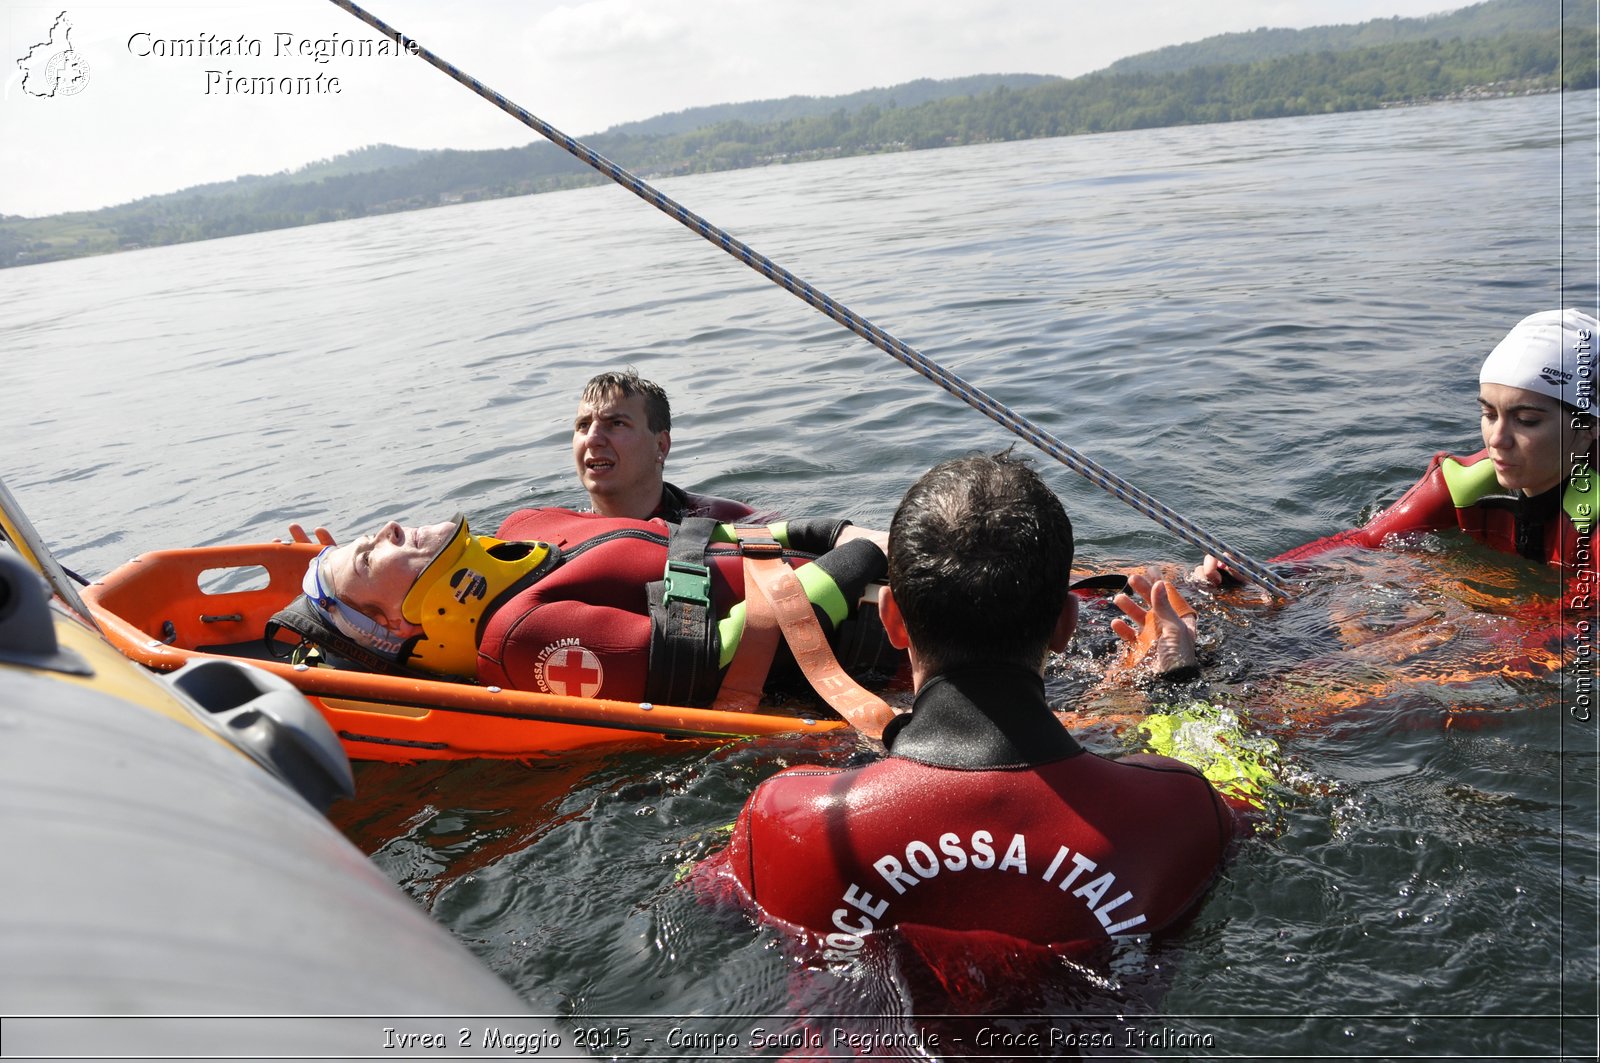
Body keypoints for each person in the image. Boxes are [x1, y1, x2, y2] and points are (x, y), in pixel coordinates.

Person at [716, 453, 1234, 955]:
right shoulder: (1184, 811)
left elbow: (712, 905)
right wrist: (1178, 685)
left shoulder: (783, 817)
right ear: (1066, 624)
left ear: (892, 619)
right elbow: (1248, 793)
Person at [273, 507, 895, 708]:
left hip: (863, 570)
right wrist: (863, 555)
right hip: (887, 639)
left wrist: (833, 531)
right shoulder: (521, 638)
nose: (385, 527)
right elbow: (737, 652)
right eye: (363, 557)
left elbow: (696, 539)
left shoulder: (525, 525)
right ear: (395, 624)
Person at [1196, 308, 1598, 585]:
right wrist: (1263, 571)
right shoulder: (1463, 483)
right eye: (1489, 414)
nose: (1497, 439)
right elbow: (1364, 543)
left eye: (1526, 421)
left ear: (1588, 427)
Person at [571, 370, 769, 523]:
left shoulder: (729, 519)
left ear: (661, 446)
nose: (592, 439)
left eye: (616, 423)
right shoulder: (556, 533)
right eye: (583, 425)